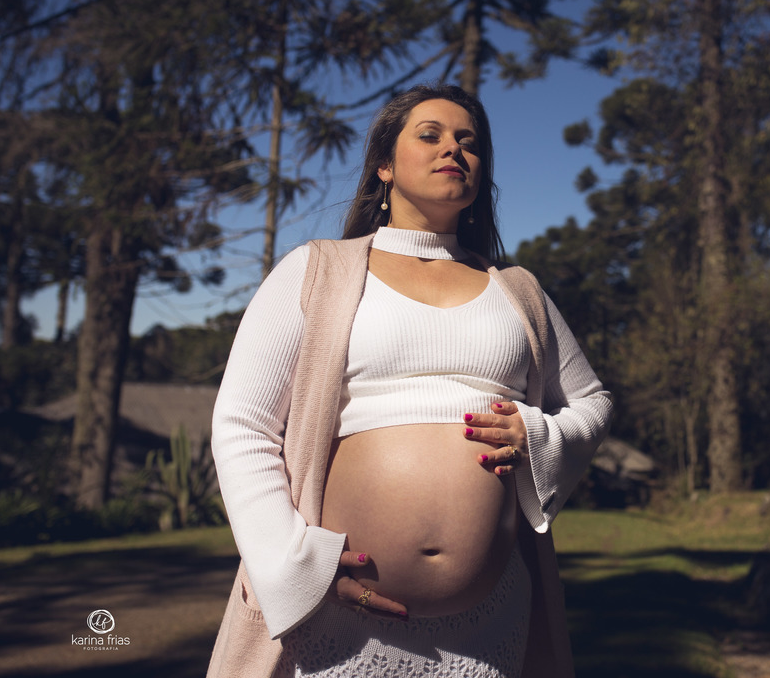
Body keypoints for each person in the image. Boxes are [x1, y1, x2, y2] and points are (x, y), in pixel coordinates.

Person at [206, 83, 612, 678]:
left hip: (492, 620)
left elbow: (592, 403)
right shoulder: (315, 271)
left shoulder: (518, 292)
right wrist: (299, 567)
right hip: (339, 616)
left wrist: (537, 433)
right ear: (385, 166)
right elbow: (243, 426)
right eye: (431, 135)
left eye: (469, 141)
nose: (454, 149)